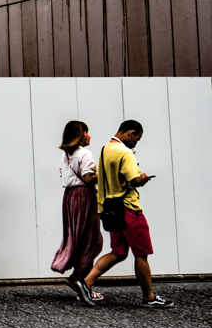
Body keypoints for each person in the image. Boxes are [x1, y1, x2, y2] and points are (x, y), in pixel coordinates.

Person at [78, 119, 174, 308]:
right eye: (137, 138)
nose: (136, 142)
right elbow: (135, 180)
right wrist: (143, 177)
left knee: (119, 251)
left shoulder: (106, 149)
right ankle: (149, 297)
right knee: (141, 253)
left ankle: (86, 282)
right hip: (129, 208)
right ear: (130, 132)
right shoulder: (125, 152)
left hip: (111, 209)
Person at [50, 120, 103, 303]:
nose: (89, 136)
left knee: (79, 238)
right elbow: (88, 178)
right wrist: (107, 173)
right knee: (92, 240)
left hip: (69, 198)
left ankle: (79, 278)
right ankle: (81, 282)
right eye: (86, 132)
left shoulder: (65, 157)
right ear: (80, 135)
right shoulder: (85, 154)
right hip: (84, 197)